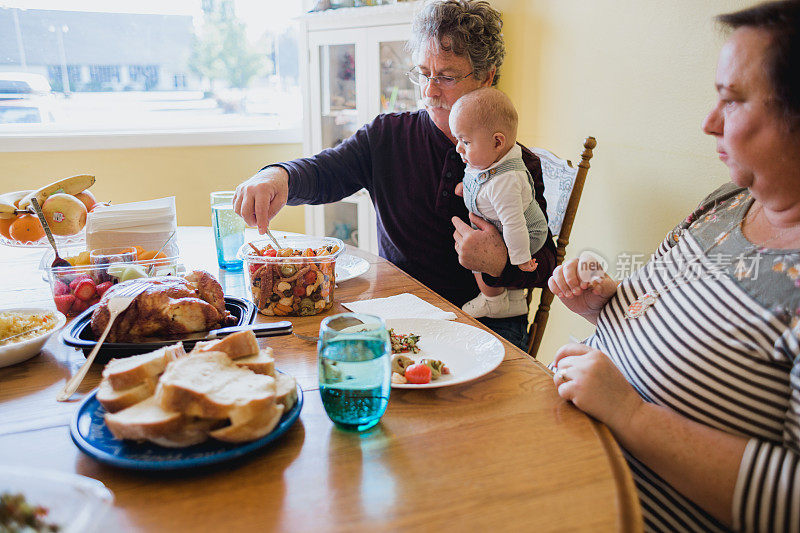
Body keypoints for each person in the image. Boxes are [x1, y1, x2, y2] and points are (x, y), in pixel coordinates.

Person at [547, 1, 800, 531]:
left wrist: (630, 414)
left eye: (732, 102)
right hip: (559, 468)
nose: (708, 123)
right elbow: (674, 320)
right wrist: (608, 304)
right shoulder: (730, 201)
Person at [233, 0, 556, 350]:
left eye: (446, 77)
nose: (430, 91)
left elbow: (548, 268)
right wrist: (276, 177)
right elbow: (326, 170)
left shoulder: (514, 162)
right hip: (401, 313)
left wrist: (500, 263)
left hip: (487, 326)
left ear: (486, 77)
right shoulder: (387, 136)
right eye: (423, 74)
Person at [449, 87, 548, 319]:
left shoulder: (506, 182)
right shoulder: (486, 160)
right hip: (504, 225)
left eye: (464, 141)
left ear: (497, 142)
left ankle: (492, 299)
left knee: (474, 250)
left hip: (526, 233)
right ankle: (514, 301)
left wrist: (520, 259)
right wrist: (466, 188)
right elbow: (477, 180)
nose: (458, 148)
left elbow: (514, 225)